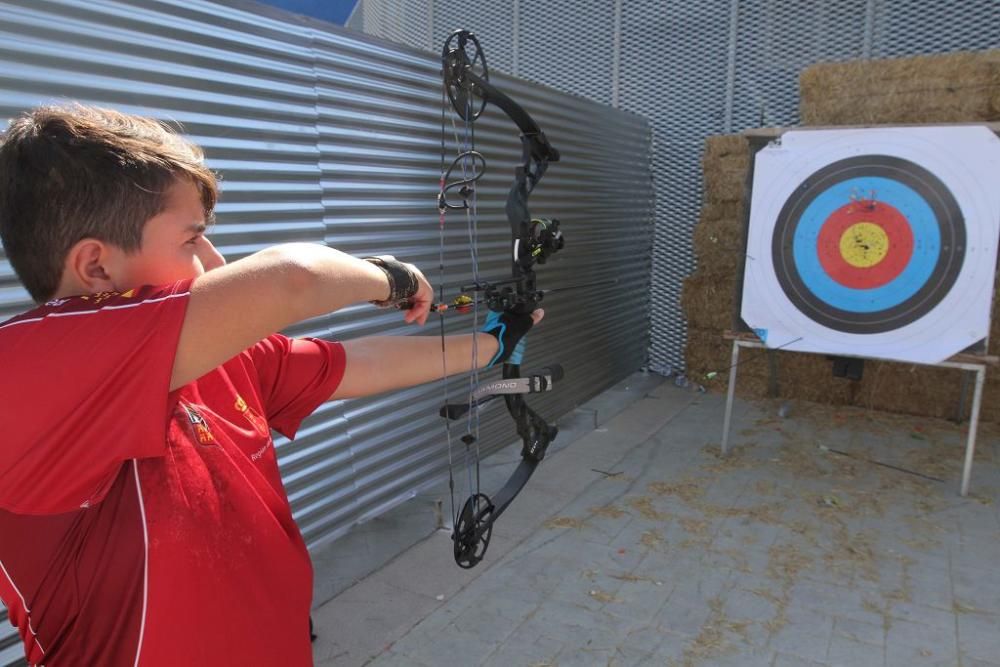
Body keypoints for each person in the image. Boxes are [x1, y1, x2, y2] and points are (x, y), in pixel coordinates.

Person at [0, 104, 540, 666]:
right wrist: (394, 278)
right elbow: (294, 278)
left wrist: (495, 344)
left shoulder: (219, 356)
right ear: (96, 268)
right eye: (192, 241)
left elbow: (360, 364)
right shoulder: (25, 370)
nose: (215, 260)